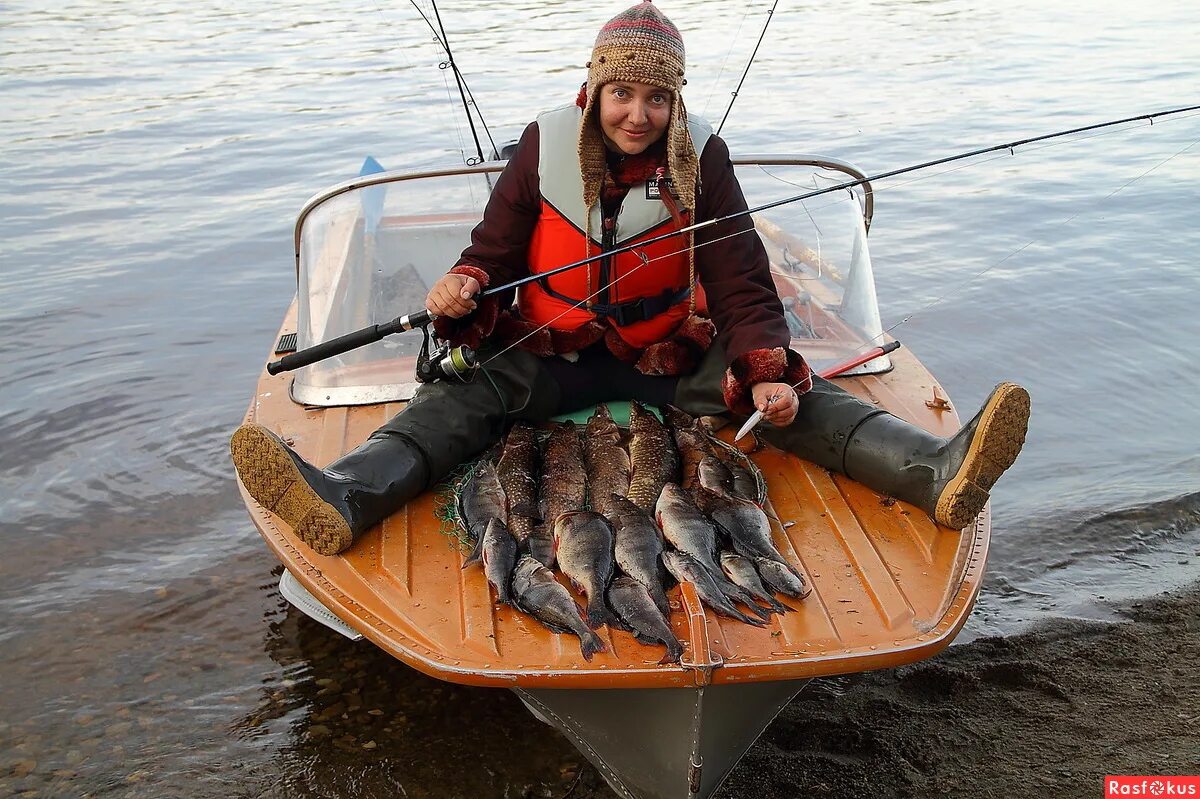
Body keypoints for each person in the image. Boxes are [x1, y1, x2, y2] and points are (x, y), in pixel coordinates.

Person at [230, 1, 1030, 557]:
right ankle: (344, 493)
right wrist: (463, 283)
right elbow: (493, 251)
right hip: (549, 358)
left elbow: (746, 287)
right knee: (457, 399)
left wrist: (763, 372)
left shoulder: (703, 160)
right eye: (622, 93)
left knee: (785, 389)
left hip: (665, 358)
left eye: (656, 96)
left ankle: (933, 471)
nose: (637, 114)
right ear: (594, 91)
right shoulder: (541, 148)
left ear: (675, 99)